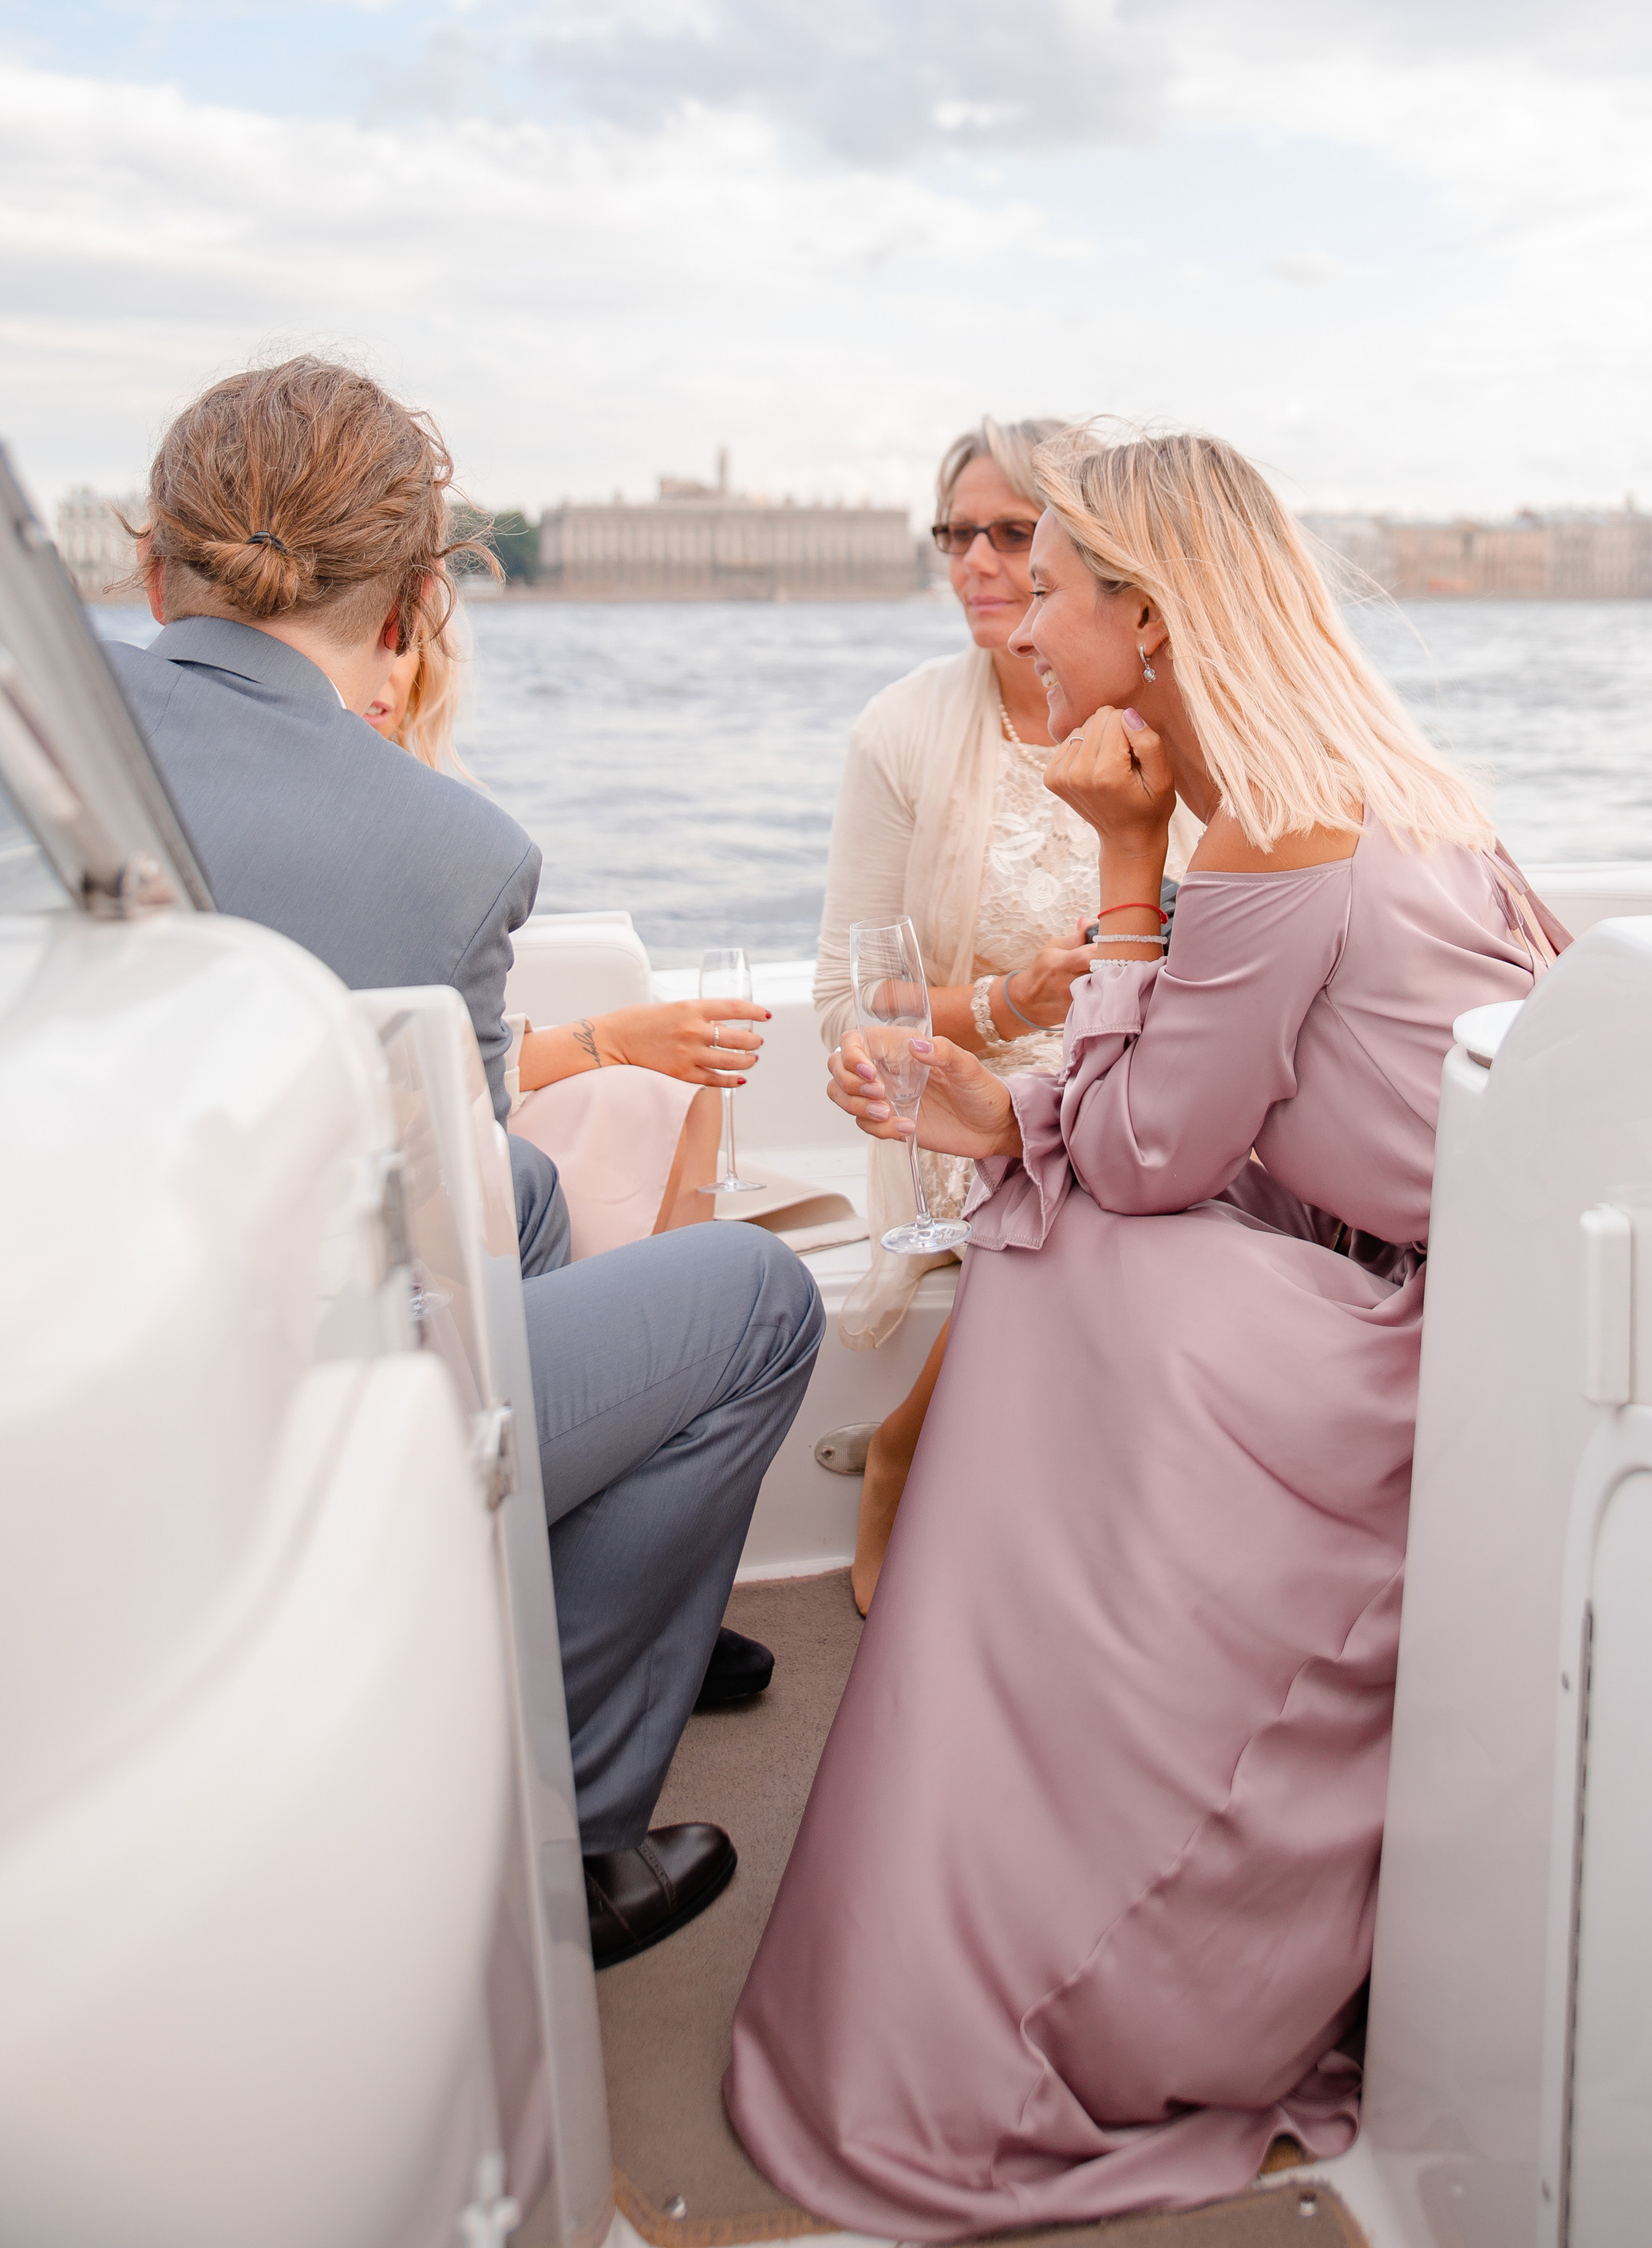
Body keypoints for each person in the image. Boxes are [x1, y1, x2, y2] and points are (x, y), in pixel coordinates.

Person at [727, 429, 1567, 2237]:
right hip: (1438, 1292)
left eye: (1055, 584)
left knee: (1062, 1263)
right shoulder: (1376, 781)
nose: (1021, 613)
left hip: (1404, 1334)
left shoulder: (1273, 819)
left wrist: (1118, 863)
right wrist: (999, 1110)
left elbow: (1148, 1145)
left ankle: (1051, 1877)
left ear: (1150, 617)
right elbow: (1194, 1110)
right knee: (1056, 1228)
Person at [112, 357, 824, 1970]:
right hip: (282, 1416)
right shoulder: (454, 852)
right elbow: (444, 1249)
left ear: (152, 570)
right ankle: (550, 1846)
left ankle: (547, 1613)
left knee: (537, 1191)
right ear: (420, 608)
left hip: (108, 1345)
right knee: (759, 1298)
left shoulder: (58, 756)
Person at [814, 417, 1197, 1610]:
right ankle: (908, 1454)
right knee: (1071, 1184)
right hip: (965, 1095)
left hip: (1147, 1062)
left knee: (1133, 1171)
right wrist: (1001, 1001)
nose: (978, 564)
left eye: (1013, 537)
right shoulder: (904, 731)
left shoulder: (1168, 713)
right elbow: (845, 1001)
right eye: (955, 535)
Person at [365, 598, 752, 1254]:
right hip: (401, 1129)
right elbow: (421, 1065)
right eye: (360, 638)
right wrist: (620, 1037)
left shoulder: (435, 822)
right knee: (653, 1098)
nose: (381, 672)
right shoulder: (414, 834)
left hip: (444, 1104)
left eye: (399, 642)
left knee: (675, 1091)